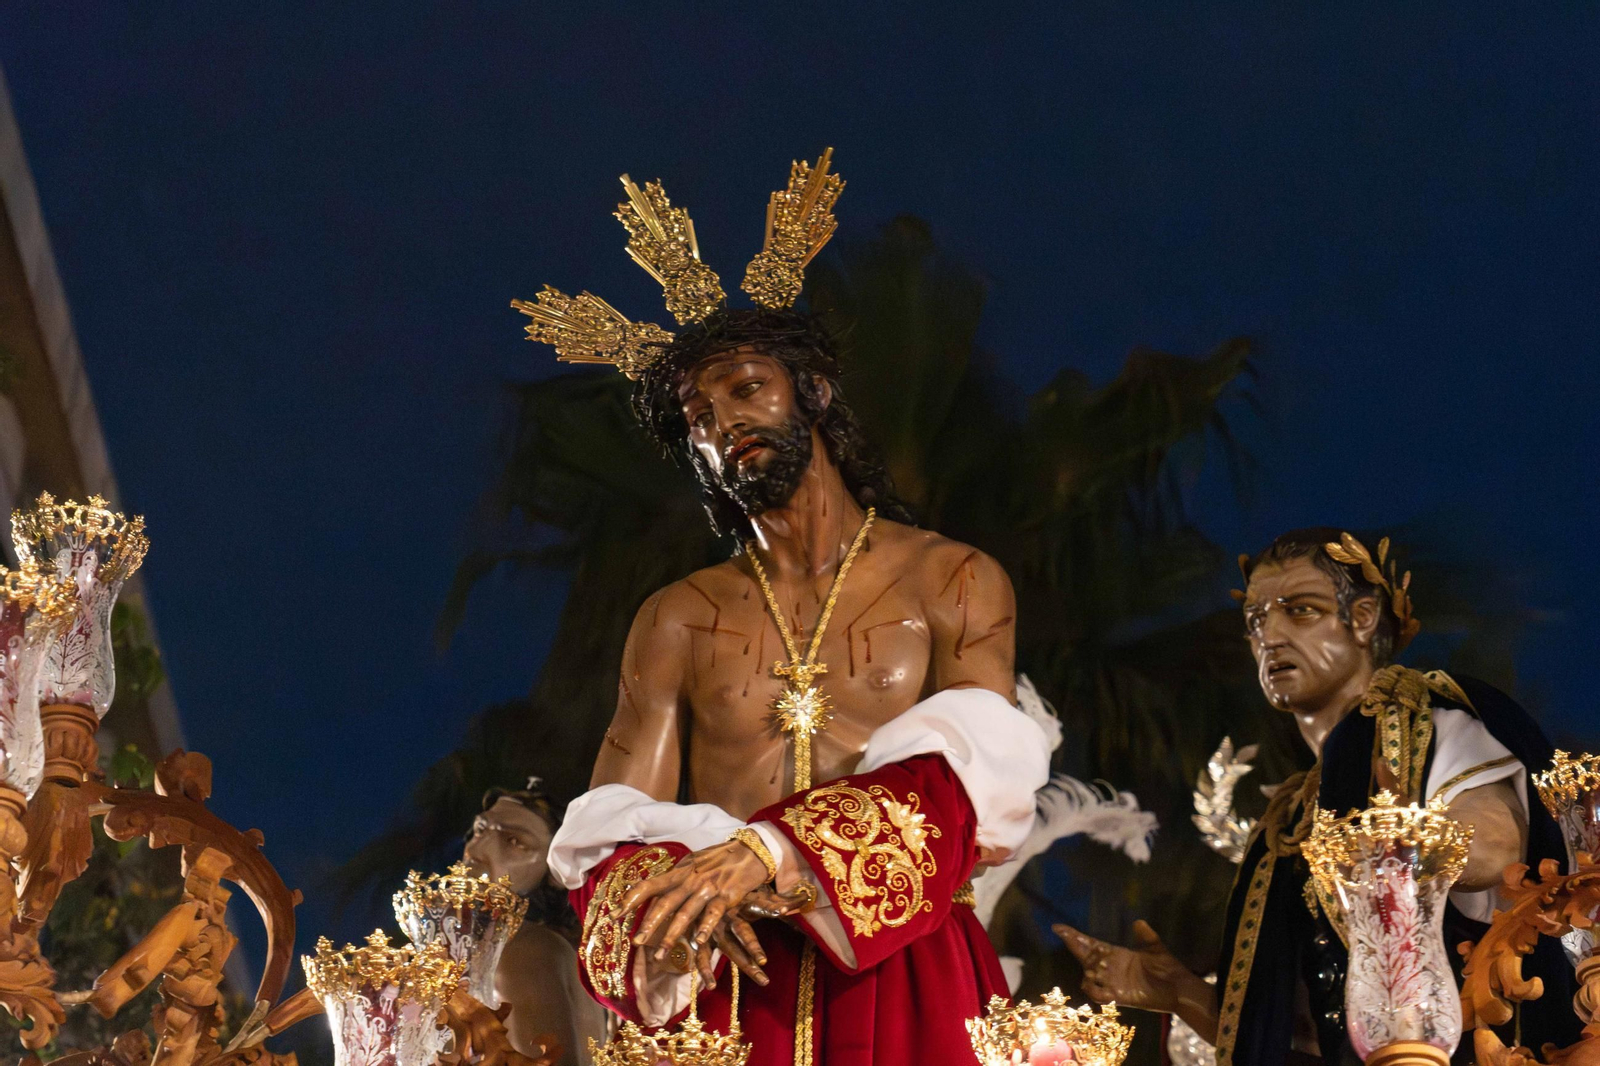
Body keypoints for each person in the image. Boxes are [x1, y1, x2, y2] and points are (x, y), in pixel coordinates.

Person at [520, 151, 1050, 1065]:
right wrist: (664, 906)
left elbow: (975, 786)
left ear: (813, 392)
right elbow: (610, 825)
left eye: (746, 390)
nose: (725, 427)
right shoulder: (676, 619)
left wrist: (773, 853)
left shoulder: (952, 579)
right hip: (733, 982)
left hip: (906, 971)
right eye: (697, 417)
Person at [1057, 528, 1579, 1065]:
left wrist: (1402, 842)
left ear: (1364, 617)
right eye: (1257, 620)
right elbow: (1308, 1039)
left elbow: (1501, 847)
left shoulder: (1423, 724)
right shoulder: (1287, 821)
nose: (1272, 637)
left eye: (1299, 611)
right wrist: (1177, 991)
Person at [462, 782, 609, 1066]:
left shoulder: (525, 950)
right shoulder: (543, 947)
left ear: (556, 872)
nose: (477, 849)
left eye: (514, 841)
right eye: (480, 829)